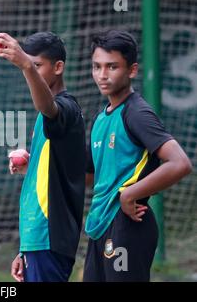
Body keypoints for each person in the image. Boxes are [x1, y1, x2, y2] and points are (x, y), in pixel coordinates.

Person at [84, 30, 193, 282]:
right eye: (97, 66)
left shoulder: (136, 113)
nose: (102, 75)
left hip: (128, 225)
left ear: (132, 70)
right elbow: (88, 177)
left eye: (112, 67)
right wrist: (38, 166)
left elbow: (180, 163)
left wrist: (131, 193)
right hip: (100, 226)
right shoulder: (101, 118)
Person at [0, 32, 86, 282]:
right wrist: (24, 249)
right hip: (36, 238)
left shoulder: (66, 107)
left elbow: (49, 108)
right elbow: (55, 170)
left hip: (49, 236)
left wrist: (25, 65)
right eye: (30, 64)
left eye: (37, 65)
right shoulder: (46, 114)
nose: (32, 70)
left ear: (59, 67)